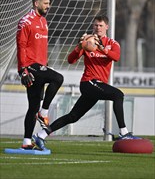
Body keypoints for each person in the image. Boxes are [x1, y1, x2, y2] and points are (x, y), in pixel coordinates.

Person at [32, 15, 141, 150]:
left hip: (96, 86)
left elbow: (116, 57)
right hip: (89, 82)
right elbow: (70, 60)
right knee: (118, 95)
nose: (98, 28)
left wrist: (102, 48)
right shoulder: (87, 42)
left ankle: (40, 135)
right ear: (92, 26)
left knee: (73, 116)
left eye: (101, 25)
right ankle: (124, 132)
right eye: (95, 25)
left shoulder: (112, 43)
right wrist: (79, 46)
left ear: (107, 27)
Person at [16, 0, 64, 150]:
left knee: (32, 107)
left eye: (49, 3)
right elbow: (21, 46)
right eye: (45, 3)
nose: (48, 6)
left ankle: (26, 142)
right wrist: (23, 70)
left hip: (40, 66)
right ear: (36, 3)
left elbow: (41, 47)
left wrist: (46, 63)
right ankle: (44, 113)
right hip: (30, 67)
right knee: (58, 78)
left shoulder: (43, 21)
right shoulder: (25, 22)